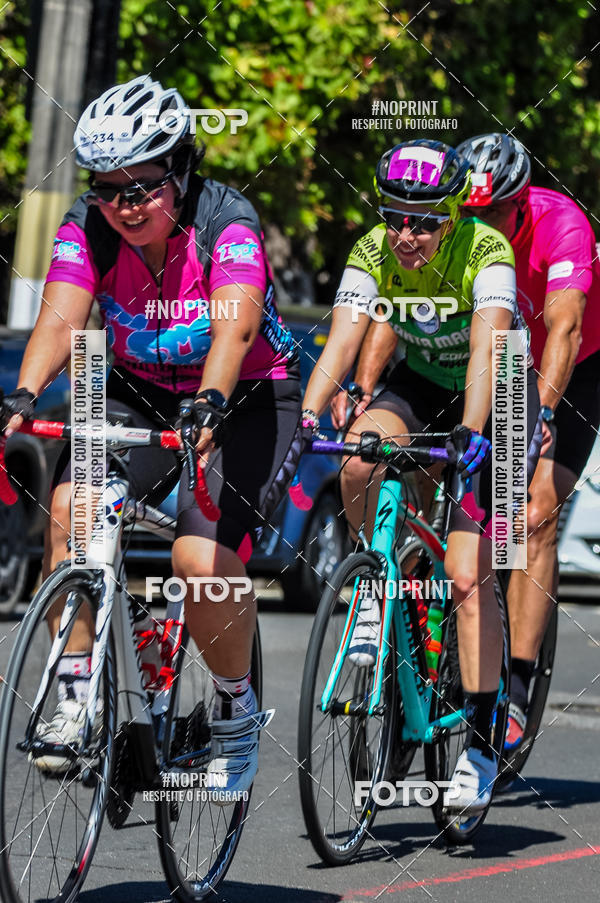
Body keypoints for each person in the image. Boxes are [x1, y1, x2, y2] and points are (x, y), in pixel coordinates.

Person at [2, 75, 302, 799]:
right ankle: (75, 694)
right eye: (108, 188)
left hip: (243, 394)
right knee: (73, 513)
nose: (124, 205)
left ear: (184, 167)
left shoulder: (226, 220)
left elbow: (234, 327)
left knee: (198, 558)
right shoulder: (91, 224)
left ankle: (234, 711)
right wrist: (19, 395)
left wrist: (207, 402)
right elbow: (60, 320)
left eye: (143, 187)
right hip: (139, 389)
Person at [302, 138, 540, 812]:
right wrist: (308, 417)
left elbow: (491, 344)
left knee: (468, 572)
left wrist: (471, 429)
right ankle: (377, 581)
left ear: (454, 217)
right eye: (395, 216)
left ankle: (483, 741)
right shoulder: (373, 249)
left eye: (424, 221)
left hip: (498, 394)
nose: (406, 234)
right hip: (420, 382)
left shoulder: (487, 252)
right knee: (357, 456)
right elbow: (345, 334)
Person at [343, 133, 600, 752]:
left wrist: (538, 412)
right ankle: (409, 611)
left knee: (531, 516)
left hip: (558, 370)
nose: (479, 224)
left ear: (521, 202)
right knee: (405, 470)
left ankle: (509, 684)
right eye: (469, 211)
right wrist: (363, 384)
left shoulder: (562, 227)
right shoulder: (444, 234)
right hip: (472, 363)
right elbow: (393, 307)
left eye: (493, 213)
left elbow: (563, 331)